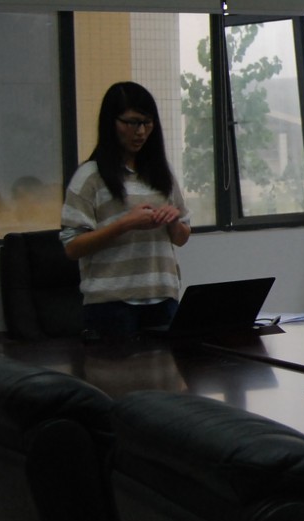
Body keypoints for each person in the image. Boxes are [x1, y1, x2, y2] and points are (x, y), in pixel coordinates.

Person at [60, 82, 191, 340]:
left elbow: (182, 237)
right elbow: (72, 247)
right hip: (111, 305)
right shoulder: (90, 176)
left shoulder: (162, 173)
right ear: (111, 122)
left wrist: (172, 222)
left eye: (147, 123)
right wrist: (125, 223)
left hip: (163, 298)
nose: (140, 132)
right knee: (117, 367)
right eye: (131, 123)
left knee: (170, 366)